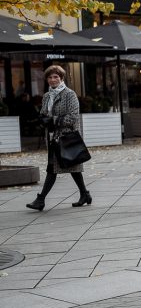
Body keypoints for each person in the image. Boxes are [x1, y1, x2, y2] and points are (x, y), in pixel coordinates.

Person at [26, 66, 92, 211]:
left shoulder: (70, 94)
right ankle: (85, 194)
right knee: (72, 167)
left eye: (56, 77)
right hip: (52, 137)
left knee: (53, 168)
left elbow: (73, 117)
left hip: (66, 137)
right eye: (50, 77)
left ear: (61, 78)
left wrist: (53, 120)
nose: (52, 80)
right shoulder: (47, 96)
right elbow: (44, 114)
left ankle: (40, 199)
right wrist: (42, 119)